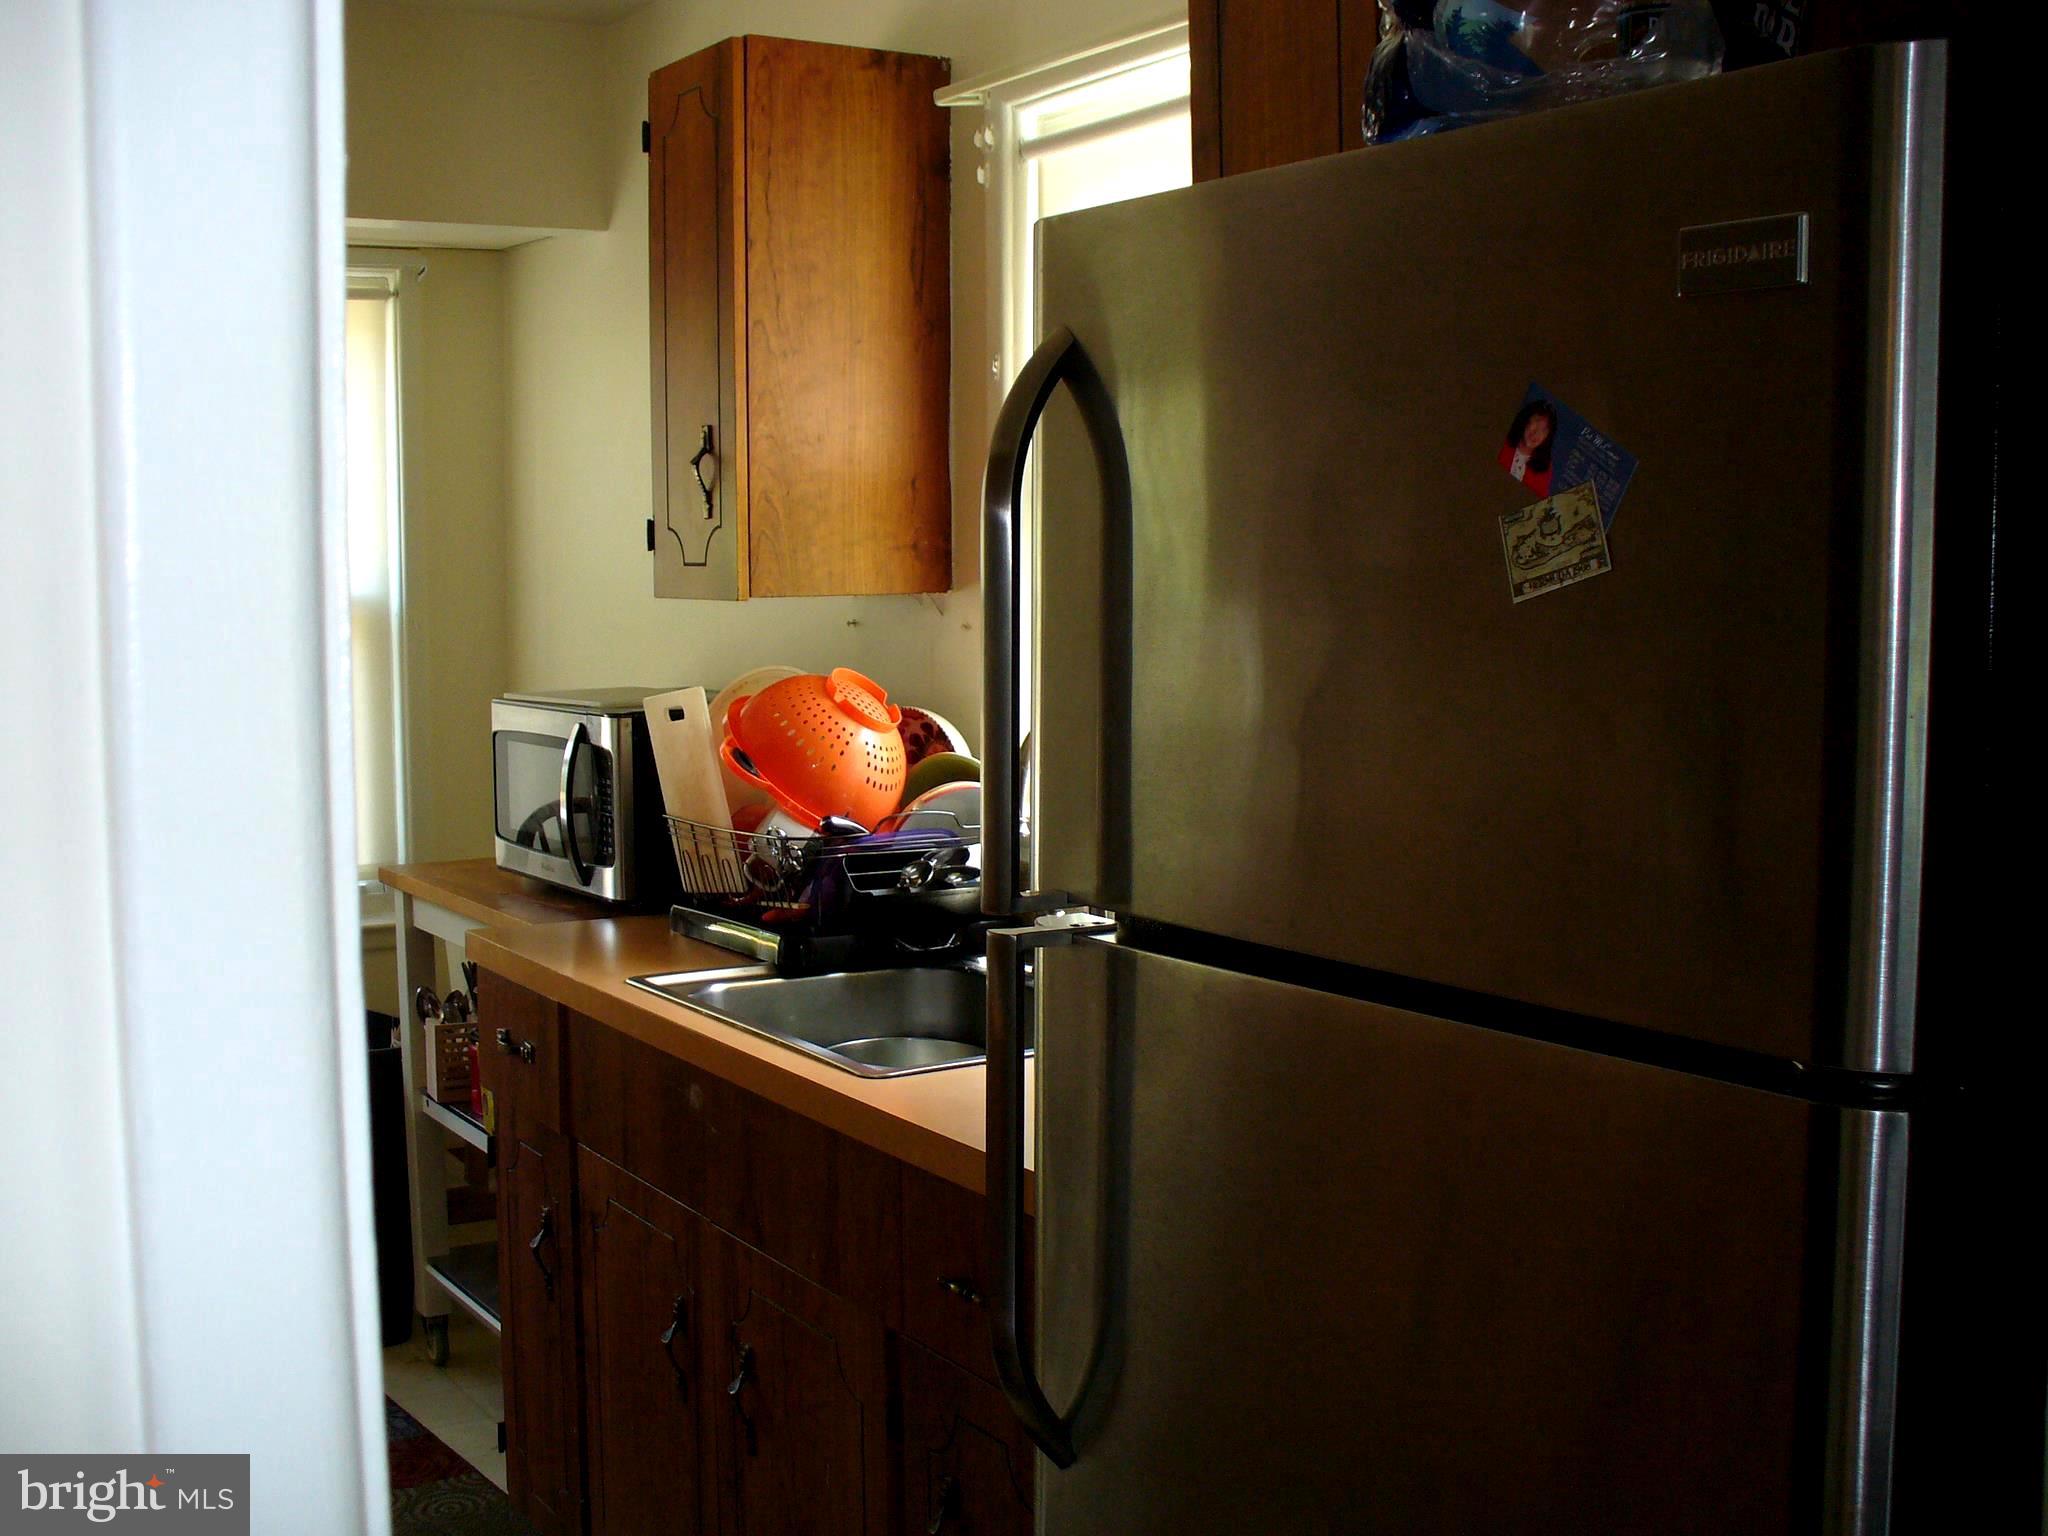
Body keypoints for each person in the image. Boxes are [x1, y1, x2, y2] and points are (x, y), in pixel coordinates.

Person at [1500, 399, 1557, 496]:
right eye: (1537, 422)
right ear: (1526, 419)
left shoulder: (1544, 468)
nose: (1537, 433)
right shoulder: (1503, 443)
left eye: (1544, 430)